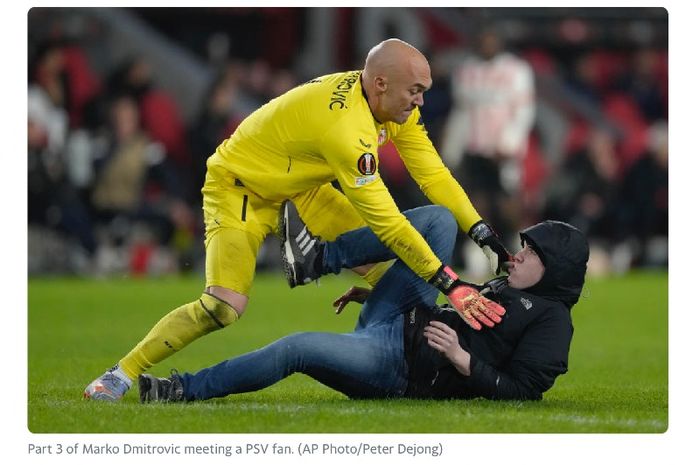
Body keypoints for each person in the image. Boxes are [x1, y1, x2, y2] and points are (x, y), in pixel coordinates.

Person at [84, 38, 511, 402]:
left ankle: (382, 347)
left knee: (395, 278)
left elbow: (433, 174)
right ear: (381, 84)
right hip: (242, 187)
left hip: (301, 189)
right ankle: (119, 375)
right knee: (223, 307)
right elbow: (388, 225)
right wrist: (452, 284)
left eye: (424, 91)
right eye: (415, 91)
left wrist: (481, 231)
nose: (420, 101)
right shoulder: (348, 129)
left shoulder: (386, 101)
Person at [138, 203, 588, 403]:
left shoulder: (552, 320)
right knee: (437, 221)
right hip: (401, 314)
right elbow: (459, 307)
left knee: (296, 348)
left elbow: (526, 390)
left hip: (400, 365)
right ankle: (320, 258)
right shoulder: (510, 287)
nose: (520, 252)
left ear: (555, 270)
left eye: (532, 252)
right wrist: (374, 293)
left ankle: (183, 389)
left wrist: (461, 358)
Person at [441, 26, 535, 269]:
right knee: (476, 201)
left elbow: (524, 109)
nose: (487, 45)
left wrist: (510, 142)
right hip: (475, 147)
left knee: (508, 202)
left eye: (491, 40)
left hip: (503, 149)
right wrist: (453, 147)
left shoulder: (516, 70)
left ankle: (518, 246)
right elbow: (461, 111)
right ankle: (480, 250)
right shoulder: (467, 71)